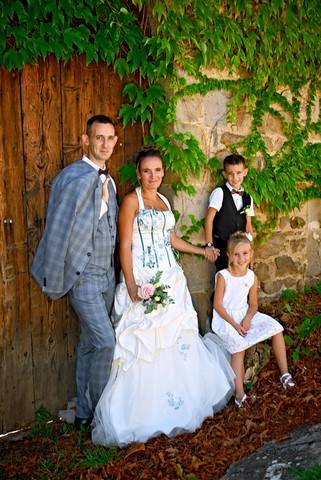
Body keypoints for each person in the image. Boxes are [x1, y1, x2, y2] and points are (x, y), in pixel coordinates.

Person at [92, 147, 235, 447]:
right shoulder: (132, 201)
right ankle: (144, 415)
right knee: (146, 344)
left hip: (171, 278)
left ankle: (181, 402)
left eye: (158, 170)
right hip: (144, 278)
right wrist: (131, 285)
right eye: (147, 171)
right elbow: (126, 244)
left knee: (178, 341)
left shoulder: (165, 200)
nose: (153, 176)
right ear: (139, 172)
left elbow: (170, 239)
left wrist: (201, 250)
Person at [31, 115, 118, 429]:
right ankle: (99, 413)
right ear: (86, 140)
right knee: (106, 342)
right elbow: (58, 230)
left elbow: (111, 229)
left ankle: (83, 413)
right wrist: (55, 278)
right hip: (83, 279)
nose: (105, 144)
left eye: (110, 138)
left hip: (107, 276)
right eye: (99, 138)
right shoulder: (73, 177)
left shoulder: (111, 181)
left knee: (89, 343)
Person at [212, 231, 295, 408]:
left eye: (245, 254)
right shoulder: (223, 276)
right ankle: (239, 395)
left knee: (277, 329)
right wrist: (235, 324)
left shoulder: (251, 276)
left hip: (244, 314)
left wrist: (248, 319)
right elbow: (218, 306)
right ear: (229, 255)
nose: (241, 259)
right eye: (236, 254)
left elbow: (253, 305)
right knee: (239, 347)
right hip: (225, 319)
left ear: (251, 254)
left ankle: (285, 374)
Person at [204, 154, 254, 272]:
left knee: (242, 283)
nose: (235, 177)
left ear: (245, 172)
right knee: (224, 281)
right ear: (225, 174)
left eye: (238, 173)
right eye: (231, 174)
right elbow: (209, 219)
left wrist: (251, 252)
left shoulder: (248, 197)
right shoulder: (219, 193)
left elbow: (249, 226)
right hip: (223, 247)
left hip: (241, 250)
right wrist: (209, 245)